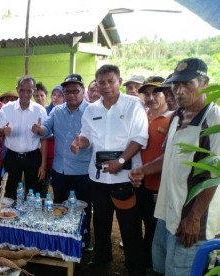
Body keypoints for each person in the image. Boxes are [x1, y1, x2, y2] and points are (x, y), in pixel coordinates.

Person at [129, 58, 220, 275]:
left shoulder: (214, 118)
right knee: (162, 265)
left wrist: (195, 217)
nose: (180, 91)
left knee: (180, 270)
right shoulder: (178, 116)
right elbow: (169, 157)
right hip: (167, 210)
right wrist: (143, 169)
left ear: (205, 83)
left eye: (188, 84)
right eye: (177, 85)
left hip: (191, 219)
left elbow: (215, 175)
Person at [71, 64, 148, 275]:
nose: (106, 86)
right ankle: (102, 256)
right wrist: (80, 143)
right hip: (98, 176)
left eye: (110, 81)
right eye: (101, 82)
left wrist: (121, 161)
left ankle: (134, 265)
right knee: (101, 220)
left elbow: (140, 138)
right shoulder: (92, 109)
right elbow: (87, 136)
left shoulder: (133, 105)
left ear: (119, 82)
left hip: (125, 176)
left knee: (129, 224)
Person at [32, 73, 93, 250]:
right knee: (60, 205)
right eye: (68, 91)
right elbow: (46, 129)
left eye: (76, 91)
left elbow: (95, 137)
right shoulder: (57, 111)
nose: (72, 94)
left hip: (82, 171)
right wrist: (39, 129)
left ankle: (84, 239)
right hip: (60, 170)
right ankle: (62, 239)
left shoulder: (91, 111)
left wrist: (82, 143)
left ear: (83, 91)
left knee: (82, 208)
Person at [135, 76, 172, 272]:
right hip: (139, 183)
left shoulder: (172, 119)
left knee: (154, 228)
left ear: (166, 94)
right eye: (147, 94)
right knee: (138, 223)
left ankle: (151, 266)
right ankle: (141, 263)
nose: (150, 98)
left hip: (159, 186)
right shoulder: (143, 116)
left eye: (156, 93)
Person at [0, 75, 47, 198]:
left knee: (34, 192)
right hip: (12, 157)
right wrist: (2, 131)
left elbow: (44, 138)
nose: (25, 94)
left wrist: (43, 165)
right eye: (22, 90)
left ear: (34, 91)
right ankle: (10, 216)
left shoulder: (40, 110)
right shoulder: (7, 108)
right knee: (10, 191)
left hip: (33, 157)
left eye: (29, 90)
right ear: (17, 89)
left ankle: (33, 216)